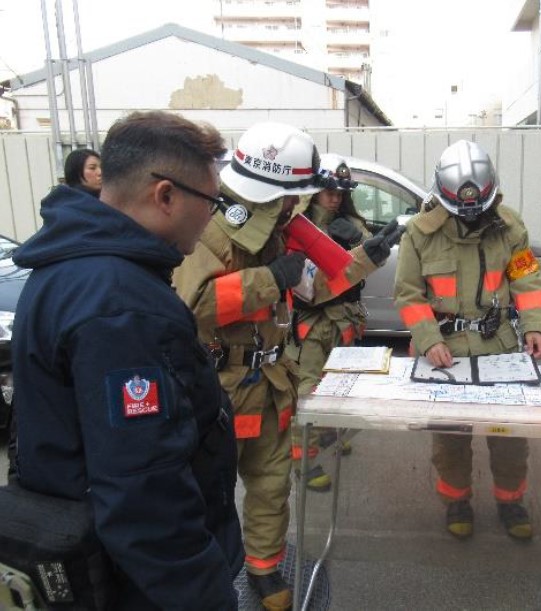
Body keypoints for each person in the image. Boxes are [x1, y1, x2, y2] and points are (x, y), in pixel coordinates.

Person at [11, 111, 243, 608]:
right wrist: (205, 595)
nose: (213, 217)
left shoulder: (71, 266)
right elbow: (144, 490)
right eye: (212, 201)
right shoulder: (122, 306)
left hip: (90, 550)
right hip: (135, 583)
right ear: (166, 196)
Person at [173, 122, 403, 610]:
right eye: (291, 195)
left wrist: (367, 257)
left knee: (272, 485)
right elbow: (193, 306)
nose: (297, 203)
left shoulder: (282, 229)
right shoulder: (212, 228)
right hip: (221, 389)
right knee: (209, 494)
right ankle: (204, 578)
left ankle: (263, 569)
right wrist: (268, 278)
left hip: (273, 383)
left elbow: (313, 287)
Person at [393, 140, 541, 541]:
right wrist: (428, 339)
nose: (471, 216)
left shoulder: (509, 227)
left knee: (509, 435)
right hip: (444, 352)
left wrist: (535, 325)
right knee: (450, 438)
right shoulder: (420, 233)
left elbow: (527, 278)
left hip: (499, 346)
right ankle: (457, 502)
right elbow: (408, 294)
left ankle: (511, 502)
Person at [284, 154, 369, 492]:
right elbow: (301, 282)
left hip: (344, 320)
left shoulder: (351, 223)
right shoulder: (296, 225)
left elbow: (367, 261)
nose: (335, 198)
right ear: (314, 191)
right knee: (307, 393)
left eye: (341, 193)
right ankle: (304, 462)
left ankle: (330, 432)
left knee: (339, 385)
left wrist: (360, 242)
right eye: (329, 191)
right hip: (312, 323)